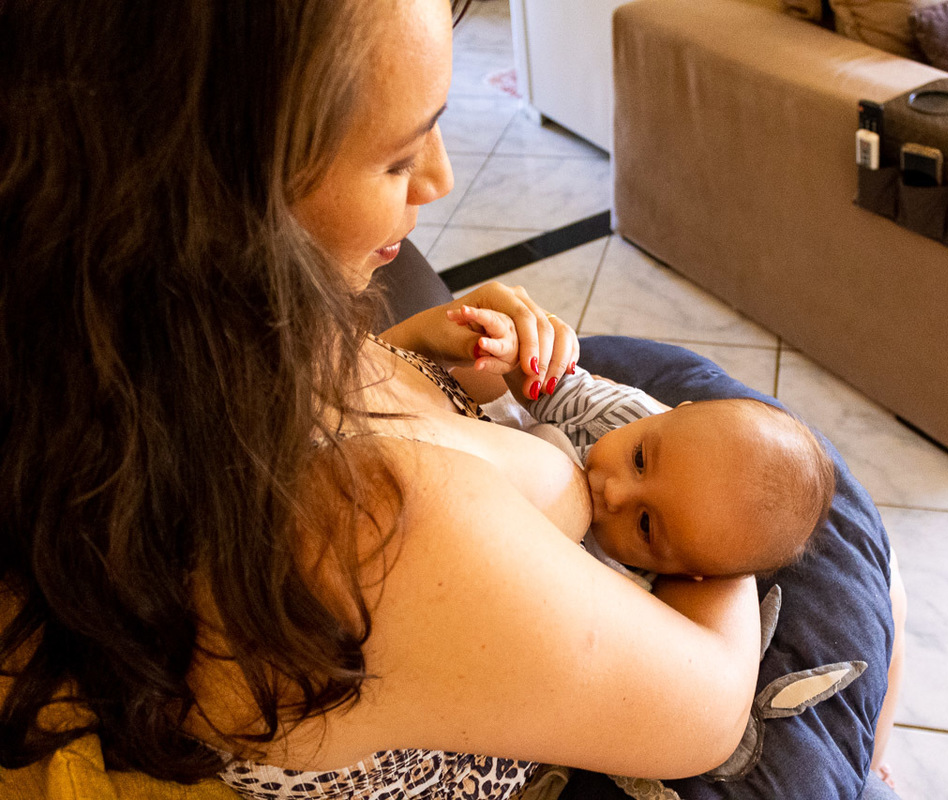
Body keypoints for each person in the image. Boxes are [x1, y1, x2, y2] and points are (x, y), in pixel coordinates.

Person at [0, 1, 901, 799]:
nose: (438, 179)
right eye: (398, 157)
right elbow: (707, 715)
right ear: (220, 207)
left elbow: (351, 404)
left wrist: (417, 352)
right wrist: (724, 538)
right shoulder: (364, 536)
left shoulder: (163, 380)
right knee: (878, 615)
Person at [494, 362, 838, 580]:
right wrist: (515, 348)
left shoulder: (628, 587)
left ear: (687, 574)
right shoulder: (624, 411)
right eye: (639, 460)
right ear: (669, 412)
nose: (615, 493)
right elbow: (539, 383)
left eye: (646, 525)